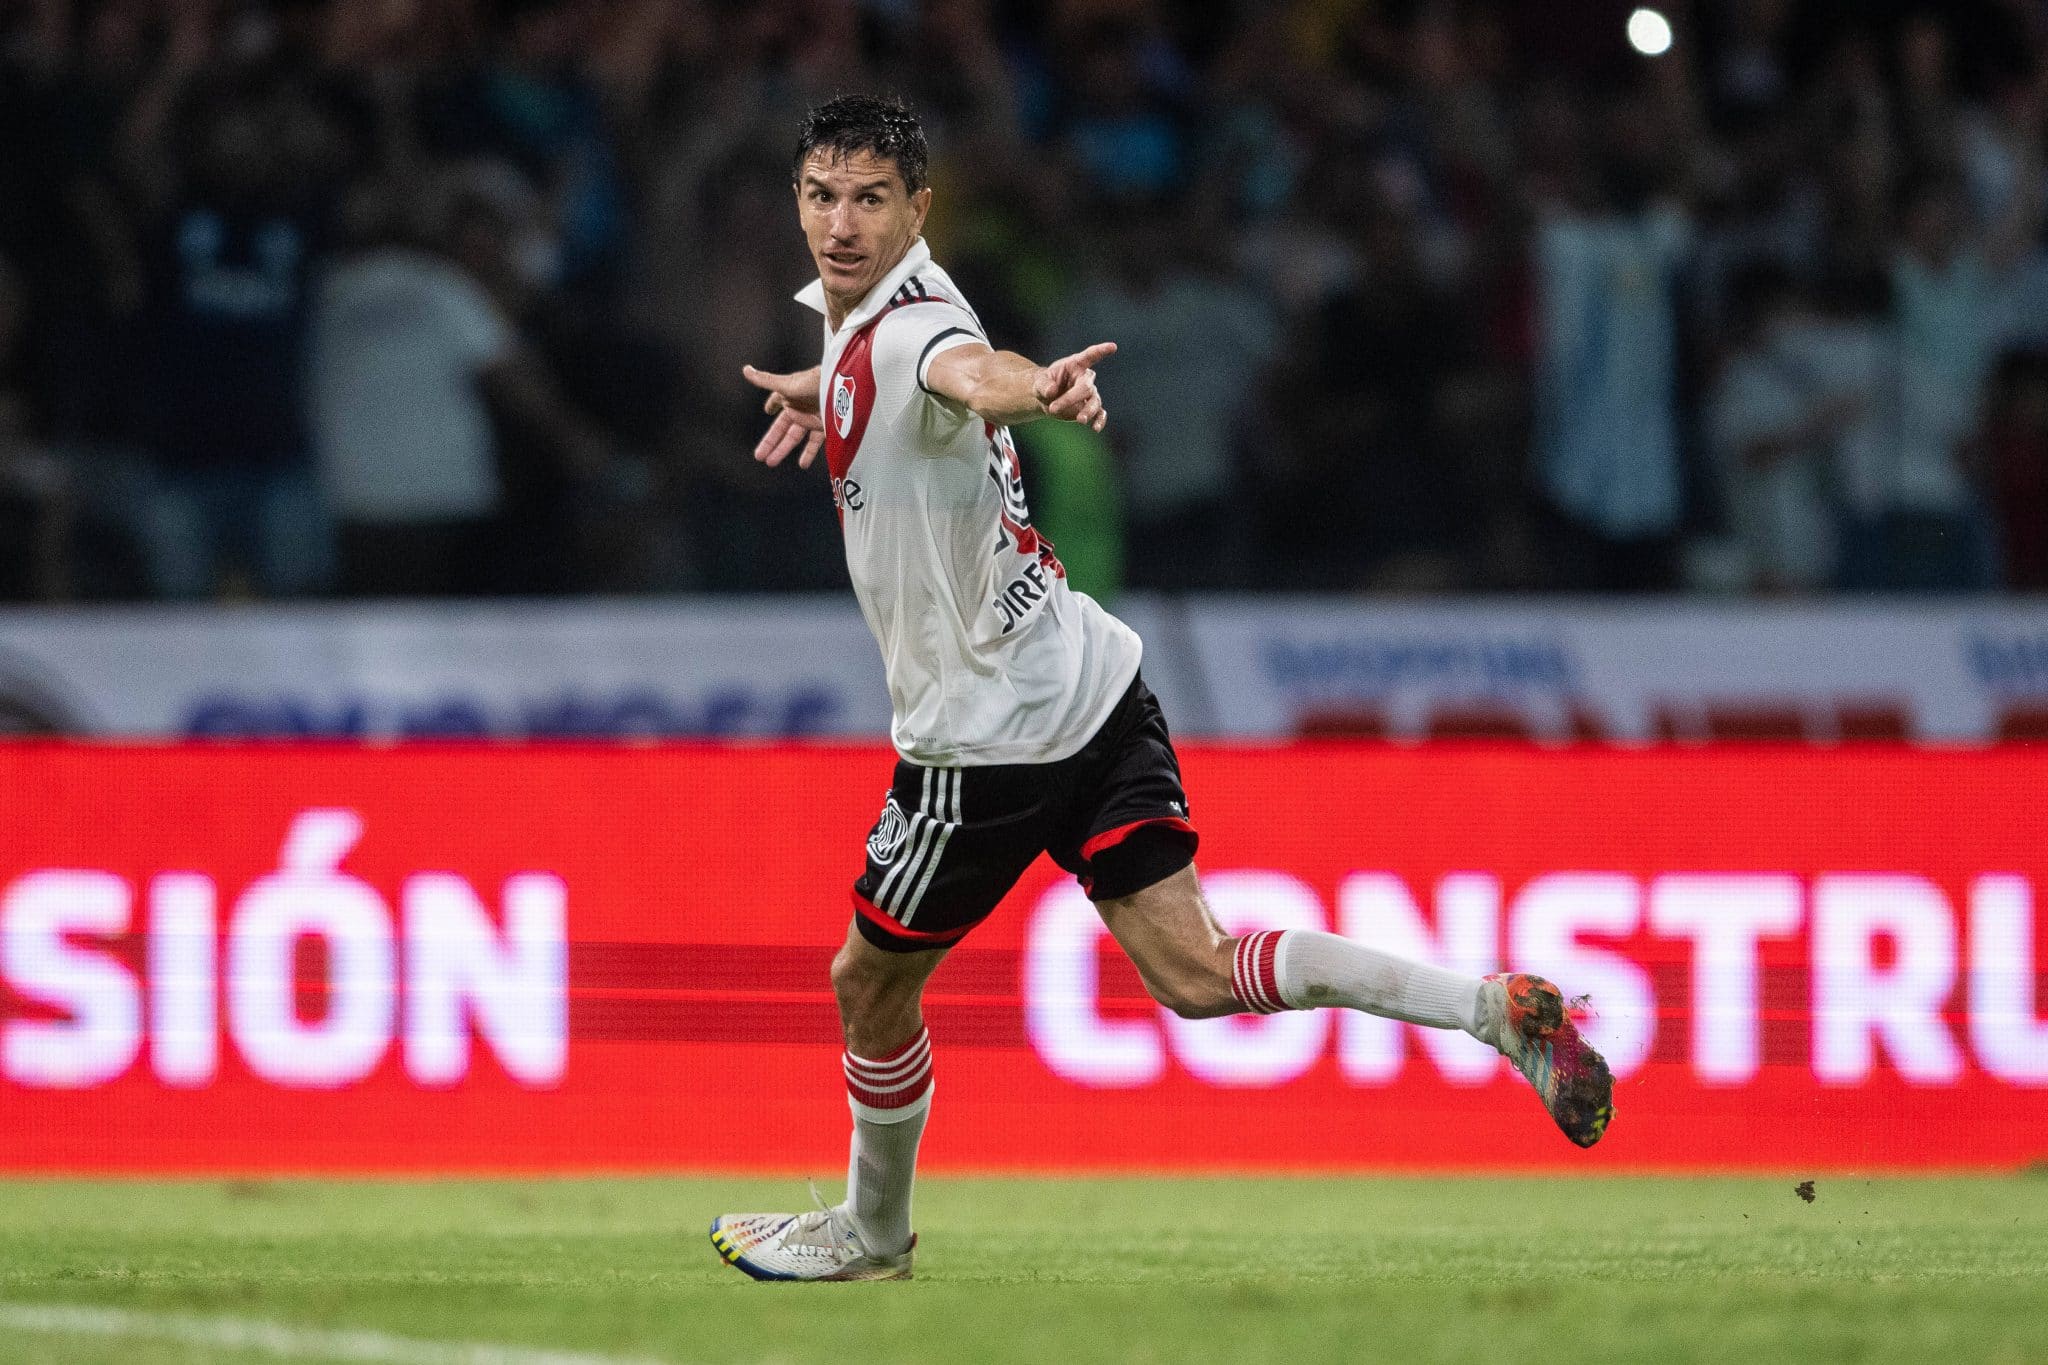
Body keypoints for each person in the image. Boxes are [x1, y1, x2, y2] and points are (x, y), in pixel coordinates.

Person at [710, 95, 1614, 1285]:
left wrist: (1040, 389)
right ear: (796, 200)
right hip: (1091, 683)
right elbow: (896, 374)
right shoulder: (864, 326)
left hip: (986, 738)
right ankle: (1488, 1010)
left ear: (917, 210)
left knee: (865, 982)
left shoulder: (913, 326)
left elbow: (970, 373)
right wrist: (824, 391)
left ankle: (871, 1236)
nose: (841, 223)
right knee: (1194, 971)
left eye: (870, 199)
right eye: (822, 196)